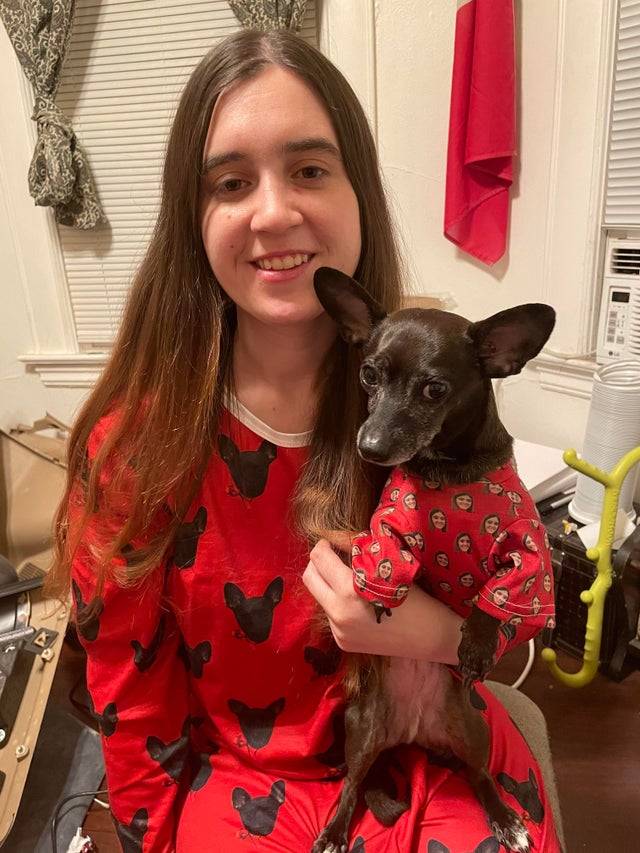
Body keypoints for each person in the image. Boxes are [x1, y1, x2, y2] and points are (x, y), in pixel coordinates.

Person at [49, 30, 561, 853]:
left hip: (429, 752)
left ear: (359, 192)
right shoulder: (134, 450)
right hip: (242, 782)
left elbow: (509, 613)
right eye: (231, 181)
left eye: (311, 169)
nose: (275, 210)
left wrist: (429, 632)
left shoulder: (438, 395)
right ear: (194, 215)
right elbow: (129, 696)